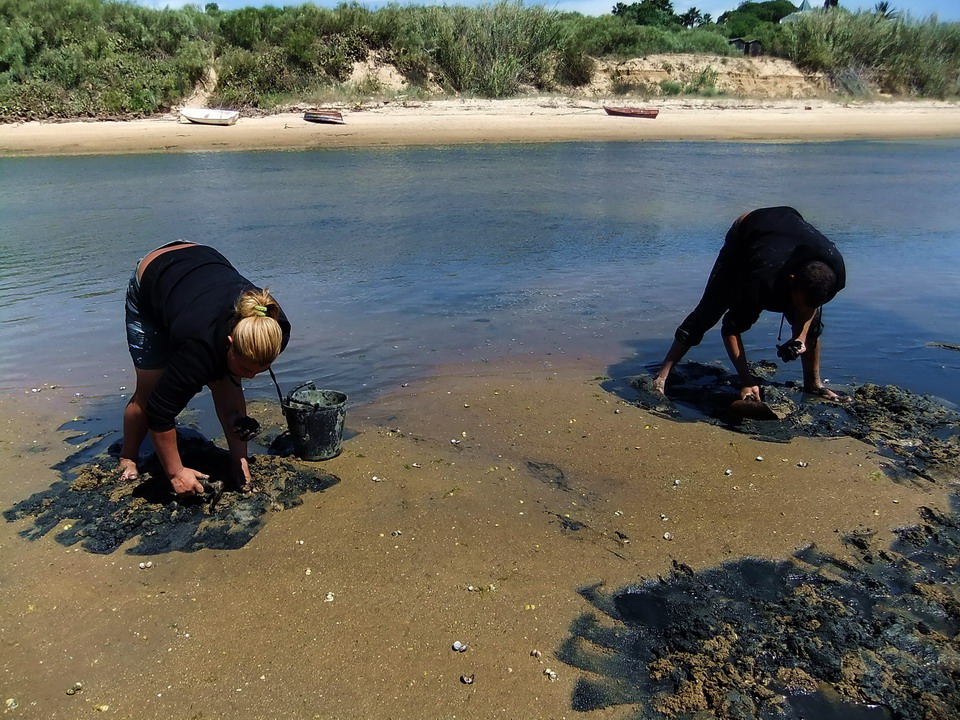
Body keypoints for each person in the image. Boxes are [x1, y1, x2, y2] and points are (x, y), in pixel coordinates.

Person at [119, 241, 291, 497]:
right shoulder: (199, 348)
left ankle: (238, 461)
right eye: (246, 367)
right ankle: (127, 455)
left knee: (227, 378)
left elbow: (231, 381)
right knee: (150, 388)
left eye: (262, 369)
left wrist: (240, 462)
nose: (252, 376)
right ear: (230, 344)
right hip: (155, 276)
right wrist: (175, 472)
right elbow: (159, 412)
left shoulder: (275, 327)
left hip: (201, 269)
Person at [653, 207, 845, 402]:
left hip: (786, 231)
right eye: (799, 303)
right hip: (747, 234)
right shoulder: (762, 278)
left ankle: (813, 383)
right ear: (791, 281)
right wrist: (746, 380)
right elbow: (730, 328)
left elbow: (810, 307)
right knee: (709, 311)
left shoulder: (834, 273)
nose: (803, 310)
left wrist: (801, 337)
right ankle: (662, 376)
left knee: (813, 325)